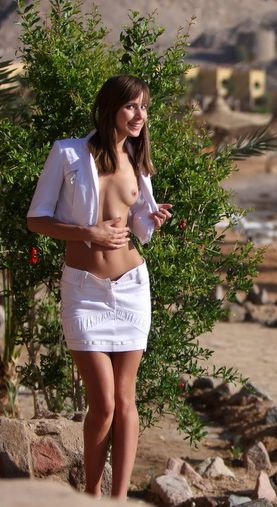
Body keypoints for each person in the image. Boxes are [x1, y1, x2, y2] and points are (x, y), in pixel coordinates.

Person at [27, 75, 172, 498]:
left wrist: (151, 220)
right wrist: (86, 232)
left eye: (144, 107)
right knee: (103, 403)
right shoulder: (68, 153)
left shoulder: (138, 161)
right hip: (84, 290)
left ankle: (119, 497)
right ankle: (91, 493)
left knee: (126, 401)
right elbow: (36, 219)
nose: (140, 115)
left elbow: (136, 229)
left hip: (131, 286)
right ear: (110, 107)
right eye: (131, 106)